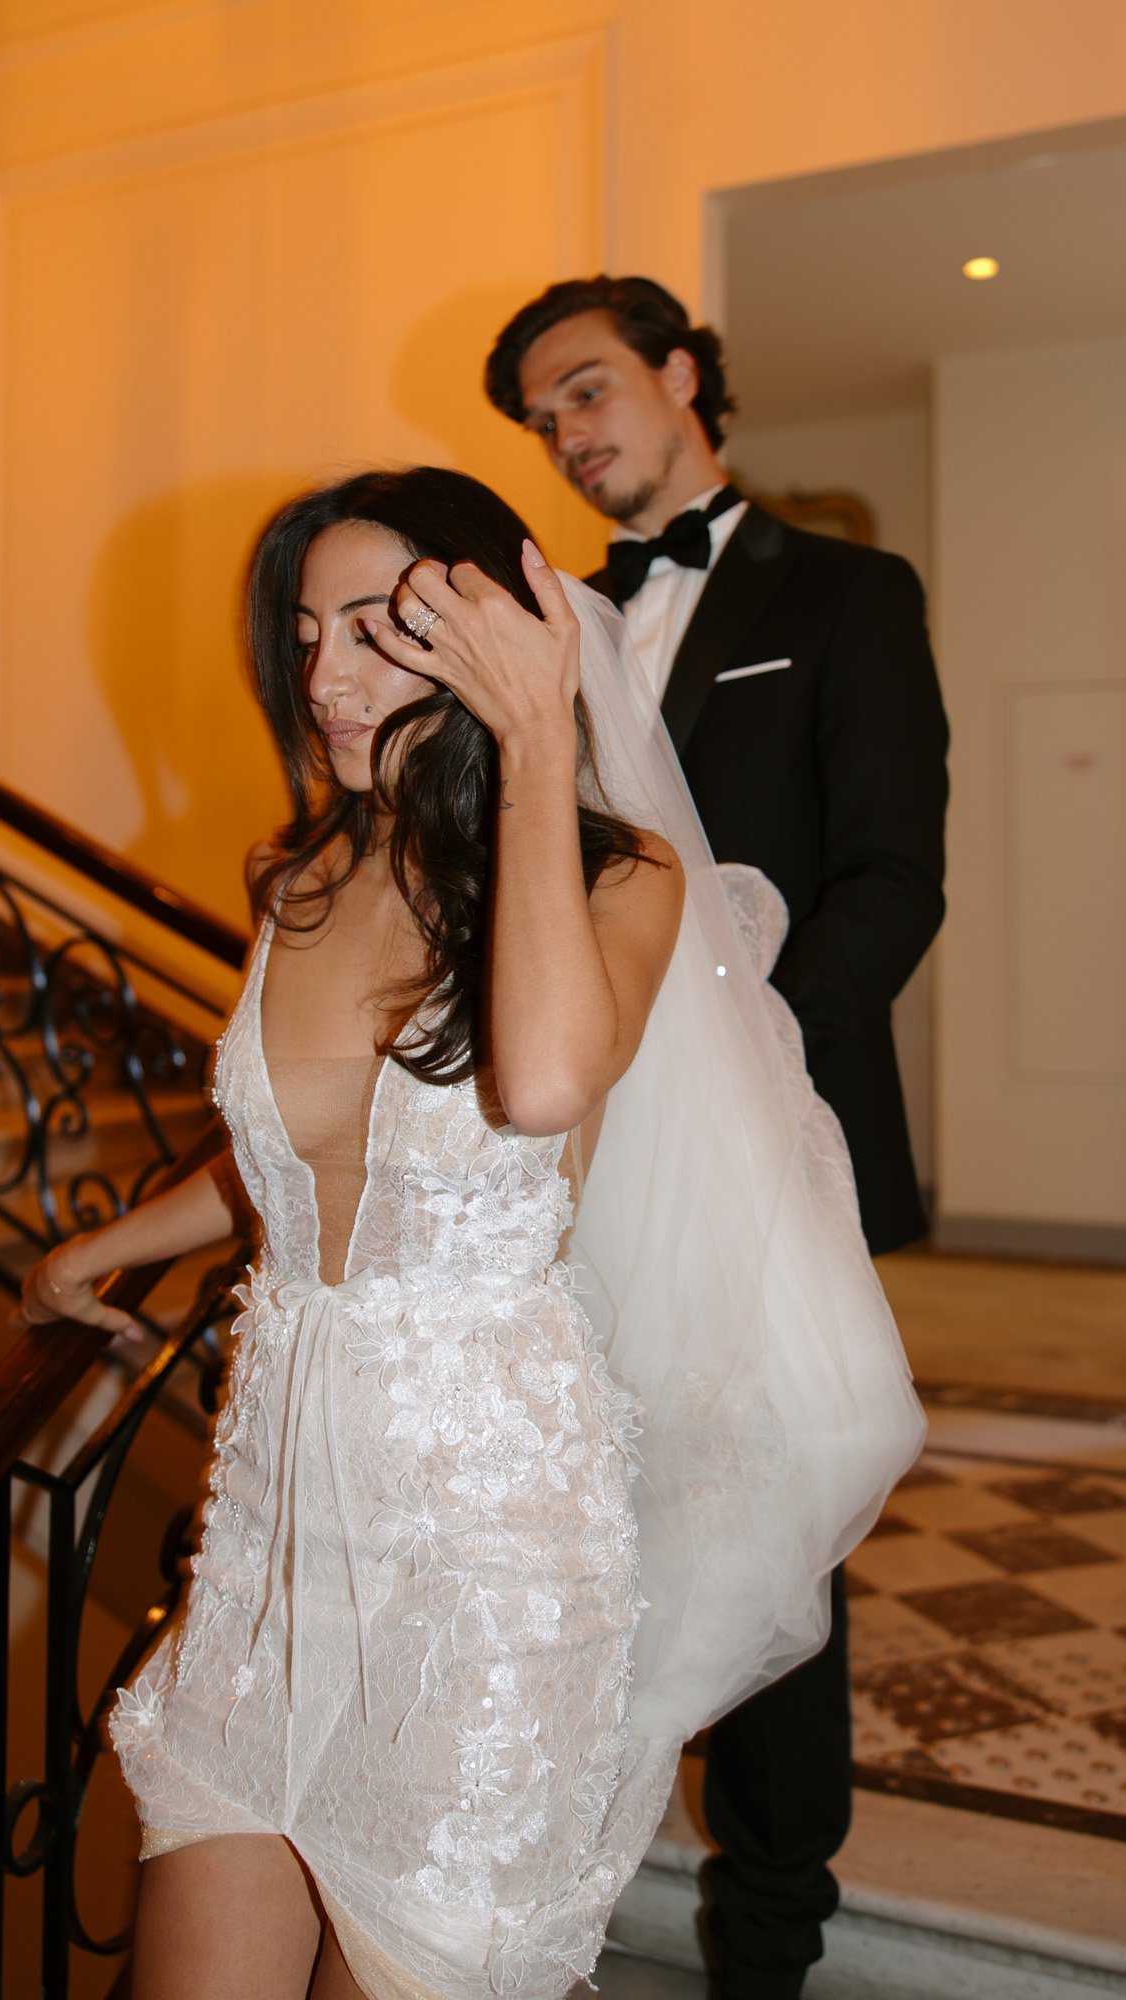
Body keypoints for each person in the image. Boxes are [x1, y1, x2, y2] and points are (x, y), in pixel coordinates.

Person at [16, 466, 924, 2000]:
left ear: (493, 638)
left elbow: (552, 1075)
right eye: (303, 636)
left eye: (377, 629)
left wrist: (533, 740)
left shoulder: (606, 876)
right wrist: (99, 1249)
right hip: (265, 1561)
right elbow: (294, 1152)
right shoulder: (293, 874)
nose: (325, 677)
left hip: (483, 1576)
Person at [484, 277, 949, 2000]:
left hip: (773, 1140)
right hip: (578, 1147)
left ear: (684, 375)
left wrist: (763, 1071)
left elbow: (893, 873)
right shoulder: (548, 614)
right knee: (587, 1501)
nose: (569, 434)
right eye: (542, 418)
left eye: (588, 389)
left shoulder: (843, 595)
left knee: (771, 1498)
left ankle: (767, 1929)